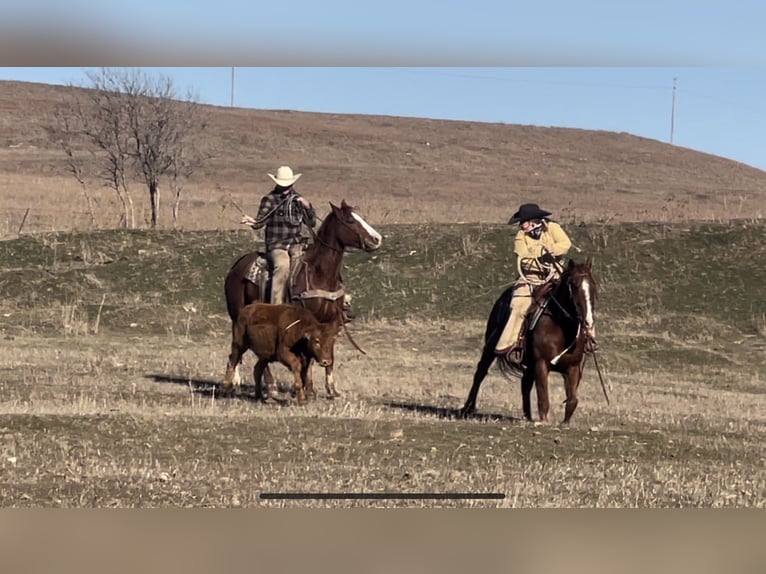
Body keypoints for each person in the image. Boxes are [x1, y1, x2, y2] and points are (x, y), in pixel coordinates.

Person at [495, 202, 572, 365]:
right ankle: (511, 344)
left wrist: (553, 249)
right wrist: (542, 254)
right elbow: (523, 259)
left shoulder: (553, 228)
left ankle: (587, 339)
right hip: (530, 277)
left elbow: (565, 244)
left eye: (523, 222)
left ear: (533, 221)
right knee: (518, 304)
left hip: (555, 275)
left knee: (577, 298)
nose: (521, 226)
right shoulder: (520, 237)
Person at [240, 165, 317, 305]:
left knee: (316, 263)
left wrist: (308, 207)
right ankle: (276, 306)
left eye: (288, 185)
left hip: (296, 243)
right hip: (277, 245)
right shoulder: (269, 199)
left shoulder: (298, 200)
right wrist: (252, 221)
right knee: (282, 266)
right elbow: (260, 221)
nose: (286, 188)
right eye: (283, 185)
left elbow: (311, 223)